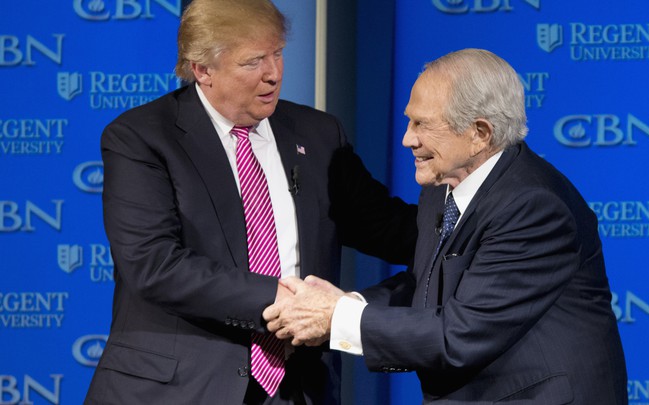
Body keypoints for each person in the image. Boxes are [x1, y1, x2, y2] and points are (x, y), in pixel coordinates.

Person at [83, 0, 416, 404]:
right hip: (179, 388)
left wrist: (470, 224)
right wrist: (281, 300)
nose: (273, 73)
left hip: (298, 386)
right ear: (202, 69)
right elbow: (153, 263)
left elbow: (386, 227)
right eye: (253, 62)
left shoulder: (318, 133)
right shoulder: (142, 137)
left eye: (278, 53)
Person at [264, 49, 628, 404]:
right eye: (409, 121)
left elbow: (460, 335)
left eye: (422, 124)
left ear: (479, 133)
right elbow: (428, 285)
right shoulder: (443, 187)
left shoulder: (533, 207)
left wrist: (337, 318)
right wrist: (347, 304)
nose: (408, 139)